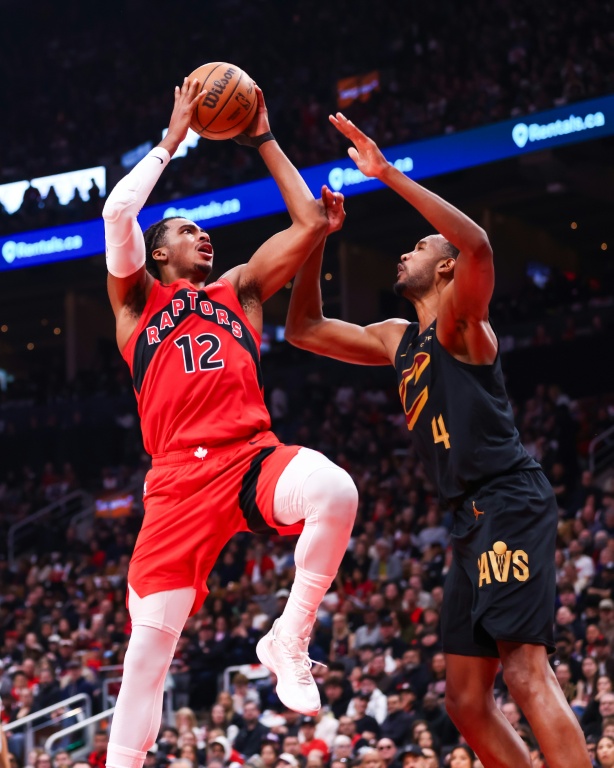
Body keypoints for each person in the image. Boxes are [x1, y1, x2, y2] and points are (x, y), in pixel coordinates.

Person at [284, 112, 591, 768]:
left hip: (507, 498)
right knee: (465, 702)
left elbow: (478, 243)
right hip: (467, 518)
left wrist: (386, 173)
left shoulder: (463, 322)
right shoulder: (398, 337)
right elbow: (303, 329)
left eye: (419, 247)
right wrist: (315, 236)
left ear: (446, 268)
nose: (404, 254)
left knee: (524, 670)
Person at [102, 78, 358, 768]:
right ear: (158, 253)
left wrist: (264, 136)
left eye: (203, 228)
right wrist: (172, 139)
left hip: (250, 457)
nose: (203, 234)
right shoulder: (136, 303)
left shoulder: (238, 290)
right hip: (177, 484)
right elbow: (118, 211)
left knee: (336, 491)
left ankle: (289, 638)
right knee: (147, 653)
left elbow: (309, 224)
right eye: (187, 230)